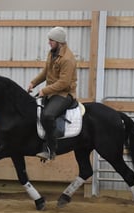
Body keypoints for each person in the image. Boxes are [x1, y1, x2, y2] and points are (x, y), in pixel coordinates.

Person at [27, 26, 77, 161]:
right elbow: (46, 72)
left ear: (59, 42)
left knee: (48, 115)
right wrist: (34, 83)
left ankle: (51, 149)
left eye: (51, 40)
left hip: (64, 95)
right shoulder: (52, 53)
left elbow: (64, 83)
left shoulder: (67, 59)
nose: (49, 42)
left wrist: (44, 90)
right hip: (51, 93)